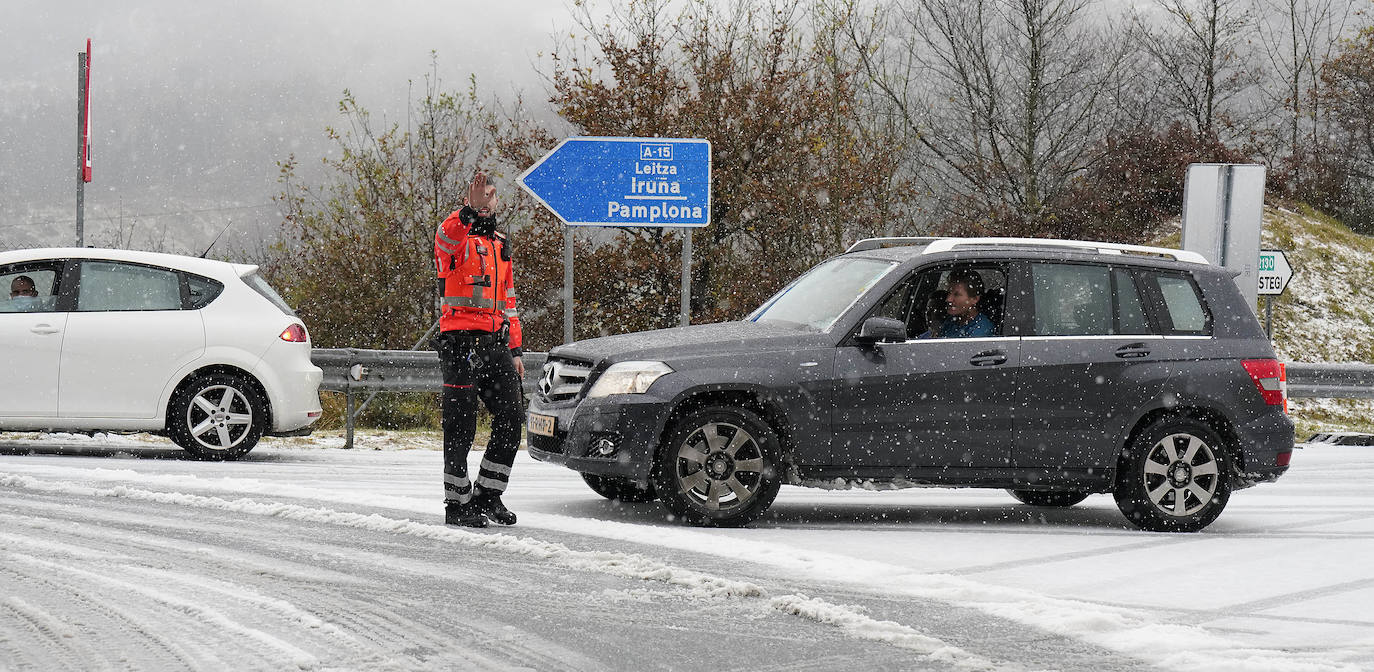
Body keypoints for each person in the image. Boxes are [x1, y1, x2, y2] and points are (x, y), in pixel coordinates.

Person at [432, 173, 526, 528]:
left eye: (491, 198)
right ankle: (457, 504)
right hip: (459, 346)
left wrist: (515, 350)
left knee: (511, 419)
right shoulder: (453, 238)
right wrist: (468, 210)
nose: (487, 203)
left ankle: (488, 494)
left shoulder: (501, 243)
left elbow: (510, 302)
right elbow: (448, 236)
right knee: (460, 427)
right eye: (481, 198)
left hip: (495, 344)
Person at [937, 270, 995, 338]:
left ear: (974, 299)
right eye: (949, 293)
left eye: (956, 294)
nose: (948, 299)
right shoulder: (951, 322)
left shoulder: (981, 329)